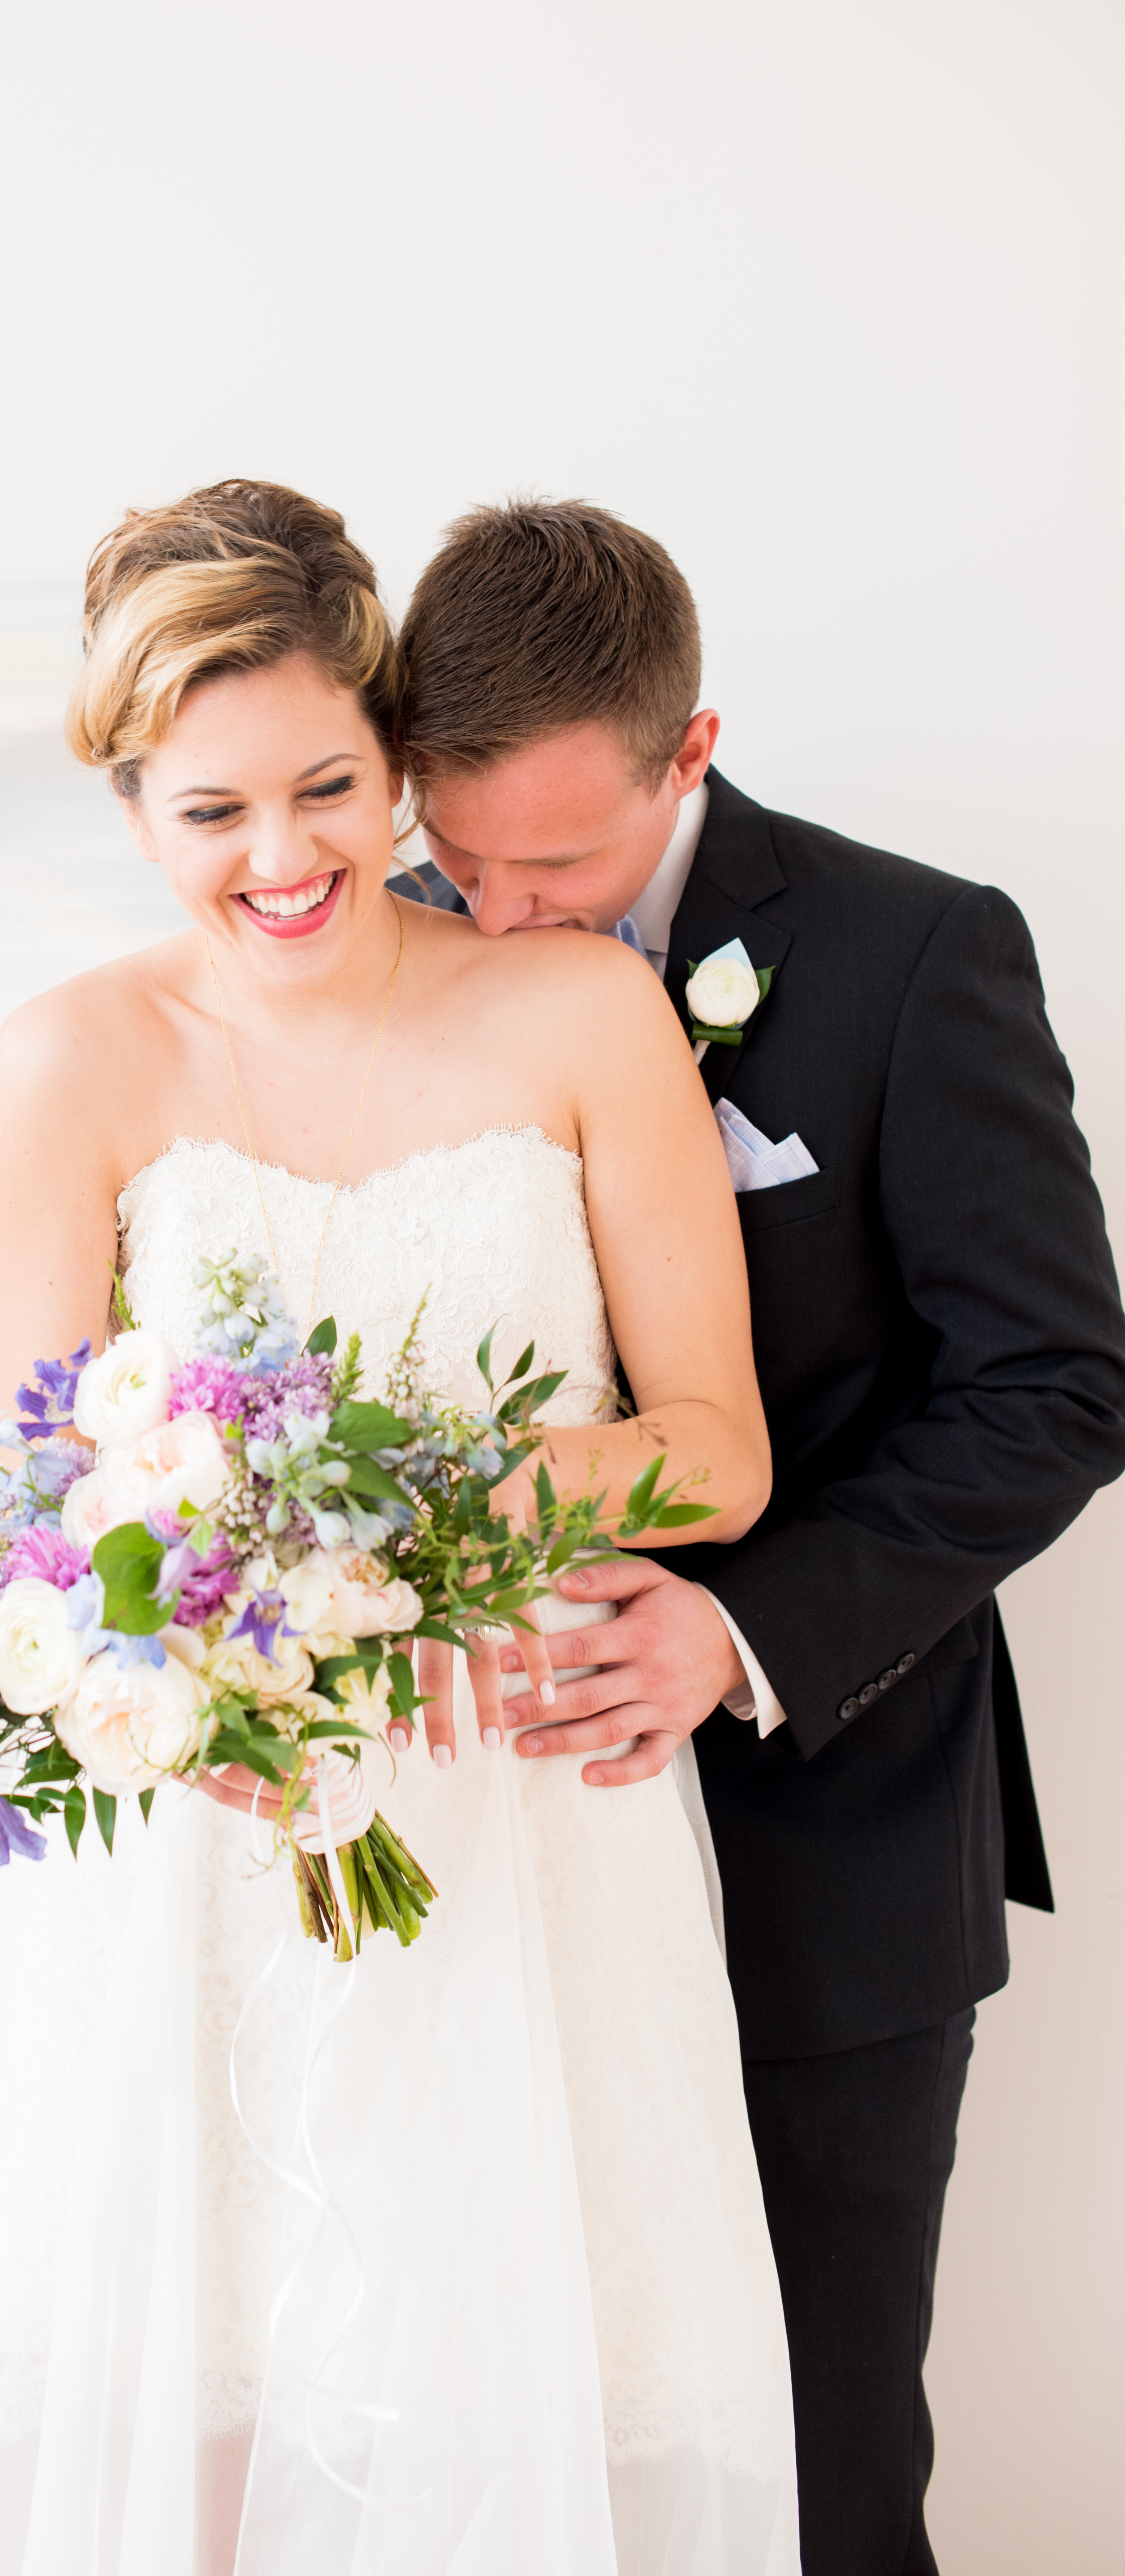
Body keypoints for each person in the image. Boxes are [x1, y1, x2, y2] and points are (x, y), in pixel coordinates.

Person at [0, 481, 802, 2575]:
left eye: (323, 790)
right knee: (183, 2430)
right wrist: (186, 1625)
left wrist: (424, 1515)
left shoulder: (575, 1019)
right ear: (126, 808)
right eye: (208, 813)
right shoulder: (66, 1066)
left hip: (523, 1821)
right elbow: (49, 1509)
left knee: (510, 2414)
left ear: (392, 767)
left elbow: (714, 1447)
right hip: (202, 1844)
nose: (279, 859)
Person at [389, 497, 1125, 2576]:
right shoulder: (374, 943)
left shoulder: (914, 952)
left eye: (558, 867)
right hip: (475, 1859)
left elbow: (1057, 1384)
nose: (499, 916)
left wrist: (746, 1634)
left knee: (805, 2479)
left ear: (686, 746)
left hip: (828, 1849)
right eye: (458, 859)